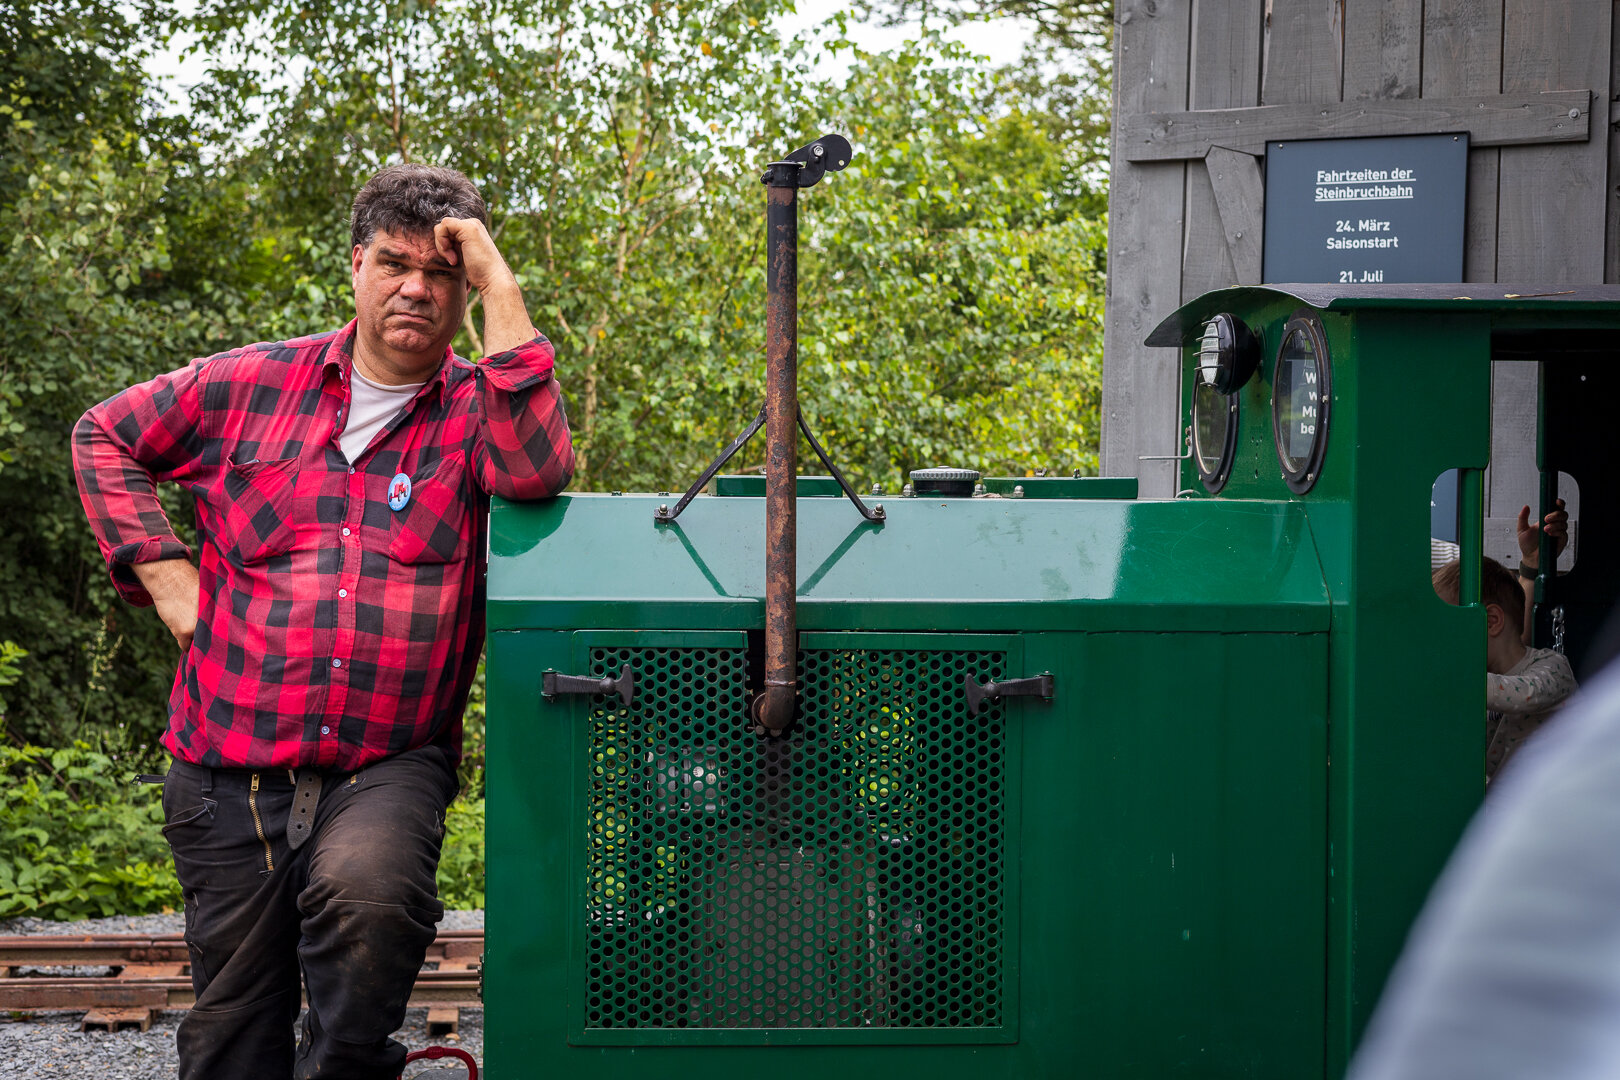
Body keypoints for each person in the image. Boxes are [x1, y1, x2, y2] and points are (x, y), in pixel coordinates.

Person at [72, 164, 574, 1080]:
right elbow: (101, 433)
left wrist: (502, 280)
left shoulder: (474, 411)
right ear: (356, 266)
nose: (416, 287)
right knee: (231, 1036)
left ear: (466, 290)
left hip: (388, 761)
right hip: (228, 759)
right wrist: (160, 565)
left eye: (444, 272)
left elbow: (537, 470)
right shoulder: (245, 386)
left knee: (373, 904)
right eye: (394, 263)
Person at [1432, 556, 1576, 781]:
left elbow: (1528, 695)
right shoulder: (1481, 684)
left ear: (1491, 621)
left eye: (1444, 630)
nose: (1438, 645)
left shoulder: (1552, 666)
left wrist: (1456, 680)